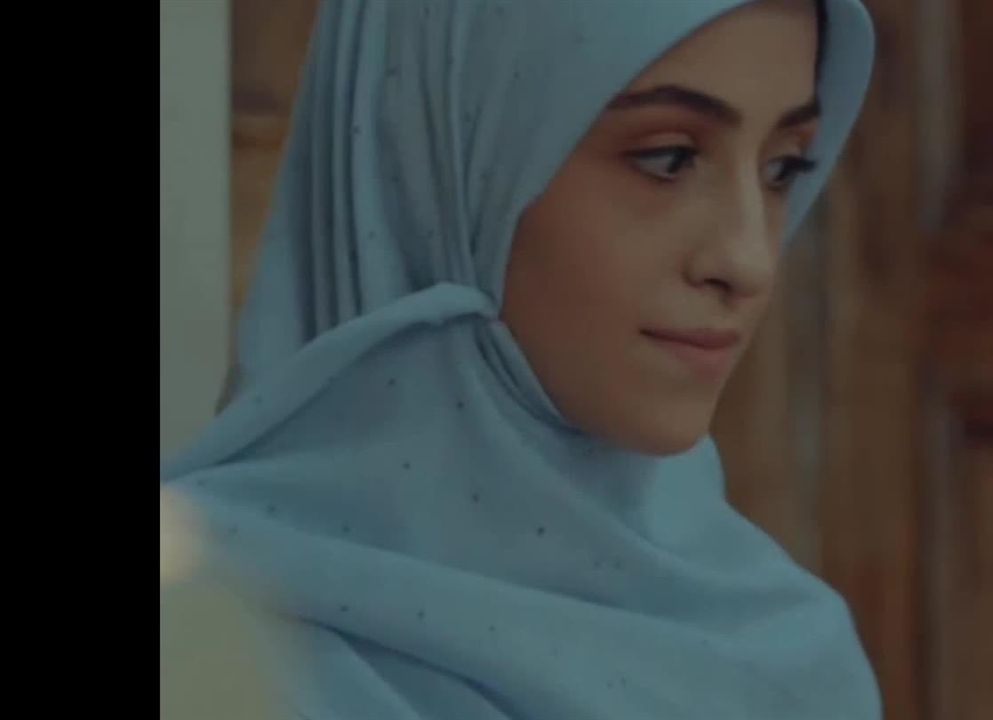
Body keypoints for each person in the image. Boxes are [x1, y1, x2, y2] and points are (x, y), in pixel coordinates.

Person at [159, 0, 878, 717]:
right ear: (441, 163)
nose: (749, 261)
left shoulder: (792, 657)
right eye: (667, 158)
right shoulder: (202, 646)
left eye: (783, 168)